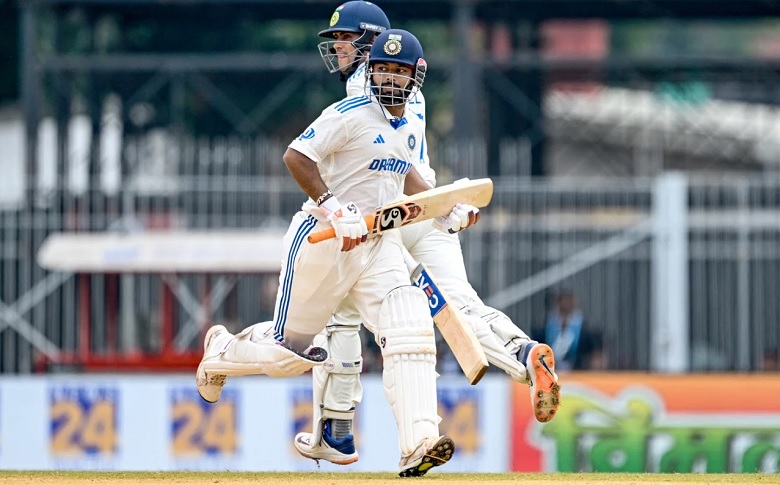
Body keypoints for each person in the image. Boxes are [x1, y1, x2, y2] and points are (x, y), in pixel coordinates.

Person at [195, 29, 480, 477]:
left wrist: (443, 209)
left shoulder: (410, 123)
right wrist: (333, 205)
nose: (388, 79)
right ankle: (222, 350)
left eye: (398, 71)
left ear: (416, 77)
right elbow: (296, 155)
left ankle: (418, 441)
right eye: (381, 69)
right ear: (370, 72)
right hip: (323, 240)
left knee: (409, 321)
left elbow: (406, 176)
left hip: (377, 244)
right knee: (288, 355)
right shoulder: (349, 113)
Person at [294, 0, 561, 467]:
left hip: (382, 220)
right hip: (429, 207)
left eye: (343, 38)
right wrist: (445, 207)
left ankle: (336, 428)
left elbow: (321, 157)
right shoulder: (409, 85)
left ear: (368, 40)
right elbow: (410, 160)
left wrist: (334, 207)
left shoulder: (366, 86)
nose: (336, 48)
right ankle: (523, 351)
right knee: (460, 306)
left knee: (345, 314)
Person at [533, 289, 605, 371]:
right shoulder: (545, 326)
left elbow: (595, 352)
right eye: (563, 299)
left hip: (578, 372)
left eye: (569, 299)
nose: (566, 303)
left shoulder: (586, 328)